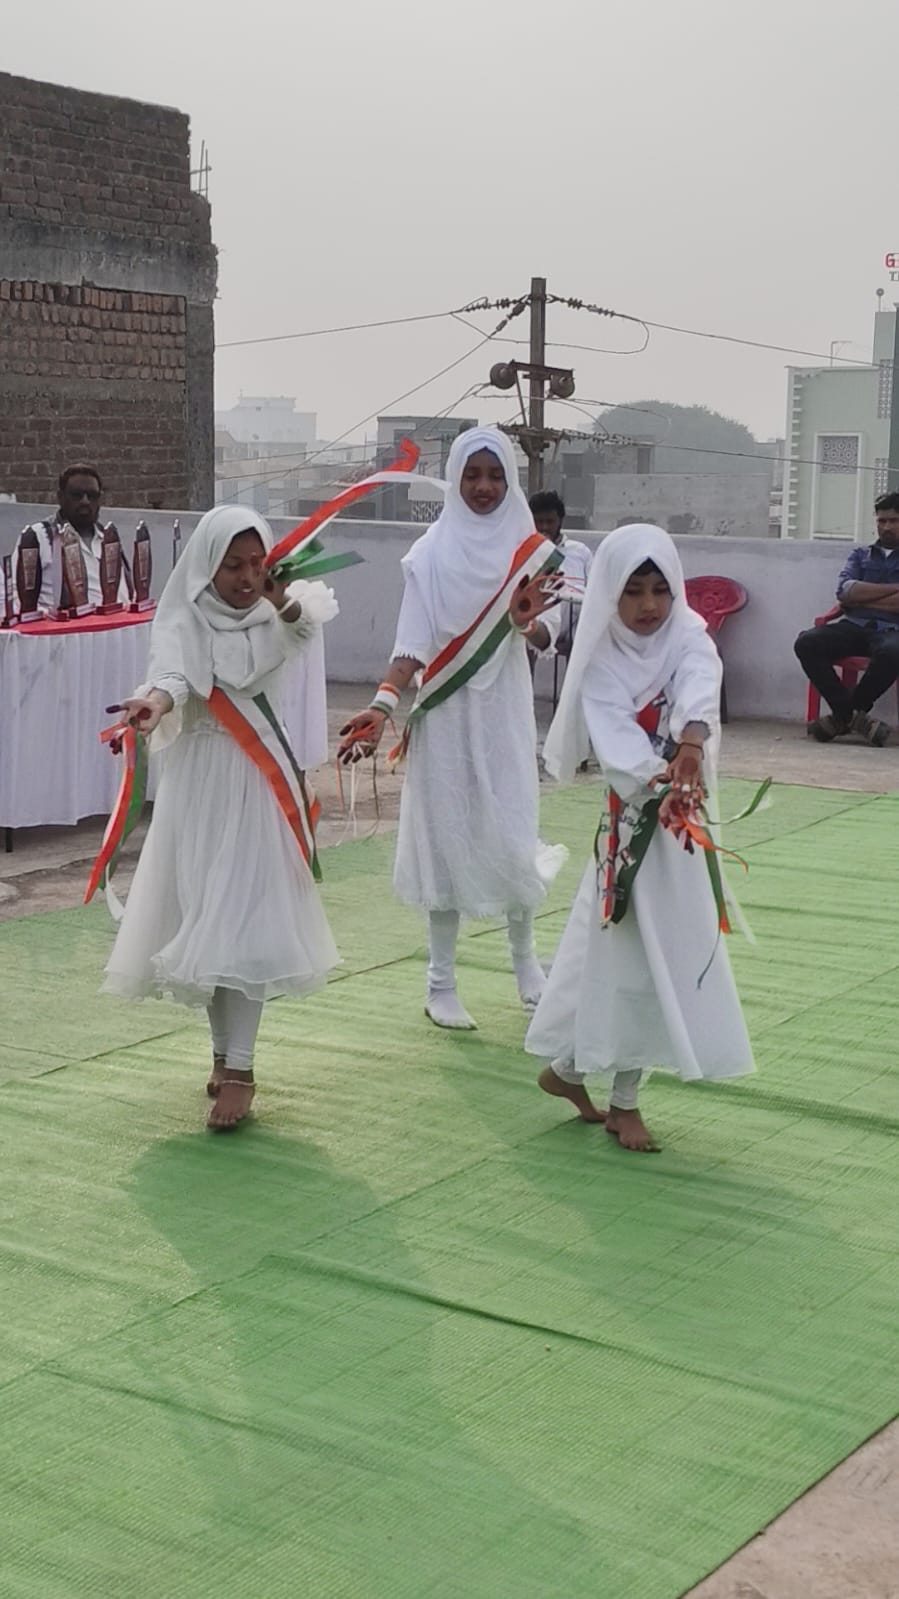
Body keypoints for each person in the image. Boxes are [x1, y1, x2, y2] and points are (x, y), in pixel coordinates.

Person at [101, 505, 340, 1130]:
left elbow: (300, 633)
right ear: (207, 565)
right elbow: (173, 676)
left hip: (255, 787)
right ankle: (221, 1052)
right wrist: (154, 702)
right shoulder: (183, 616)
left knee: (246, 918)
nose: (246, 576)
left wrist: (282, 600)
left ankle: (242, 1069)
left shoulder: (281, 616)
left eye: (256, 563)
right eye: (232, 565)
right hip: (200, 786)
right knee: (204, 918)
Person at [525, 523, 754, 1152]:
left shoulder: (688, 633)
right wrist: (663, 779)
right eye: (632, 591)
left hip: (682, 827)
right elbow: (617, 745)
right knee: (633, 955)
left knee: (655, 954)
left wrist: (691, 744)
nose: (649, 605)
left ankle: (571, 1070)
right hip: (632, 832)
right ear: (610, 593)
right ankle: (623, 1101)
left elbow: (699, 683)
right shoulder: (599, 659)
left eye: (659, 589)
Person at [338, 427, 564, 1031]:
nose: (483, 487)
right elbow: (411, 645)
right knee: (446, 838)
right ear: (455, 479)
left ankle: (527, 969)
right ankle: (440, 982)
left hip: (504, 712)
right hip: (444, 714)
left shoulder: (530, 552)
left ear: (510, 481)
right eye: (472, 475)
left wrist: (524, 622)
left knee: (512, 828)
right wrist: (382, 707)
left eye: (495, 476)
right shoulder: (430, 554)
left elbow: (549, 634)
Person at [794, 492, 899, 745]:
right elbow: (845, 591)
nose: (887, 527)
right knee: (807, 642)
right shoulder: (860, 555)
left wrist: (861, 598)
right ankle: (851, 716)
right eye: (882, 521)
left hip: (892, 630)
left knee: (894, 652)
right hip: (853, 626)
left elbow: (854, 596)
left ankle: (841, 717)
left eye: (894, 521)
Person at [12, 463, 131, 611]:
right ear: (60, 497)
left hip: (121, 621)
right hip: (64, 625)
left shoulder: (108, 537)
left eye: (92, 495)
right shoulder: (38, 536)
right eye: (77, 495)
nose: (85, 501)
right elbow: (16, 595)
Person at [529, 489, 593, 655]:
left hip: (575, 635)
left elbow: (595, 592)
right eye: (539, 522)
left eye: (550, 521)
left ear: (560, 521)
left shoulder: (580, 552)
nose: (544, 527)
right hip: (535, 633)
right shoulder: (522, 554)